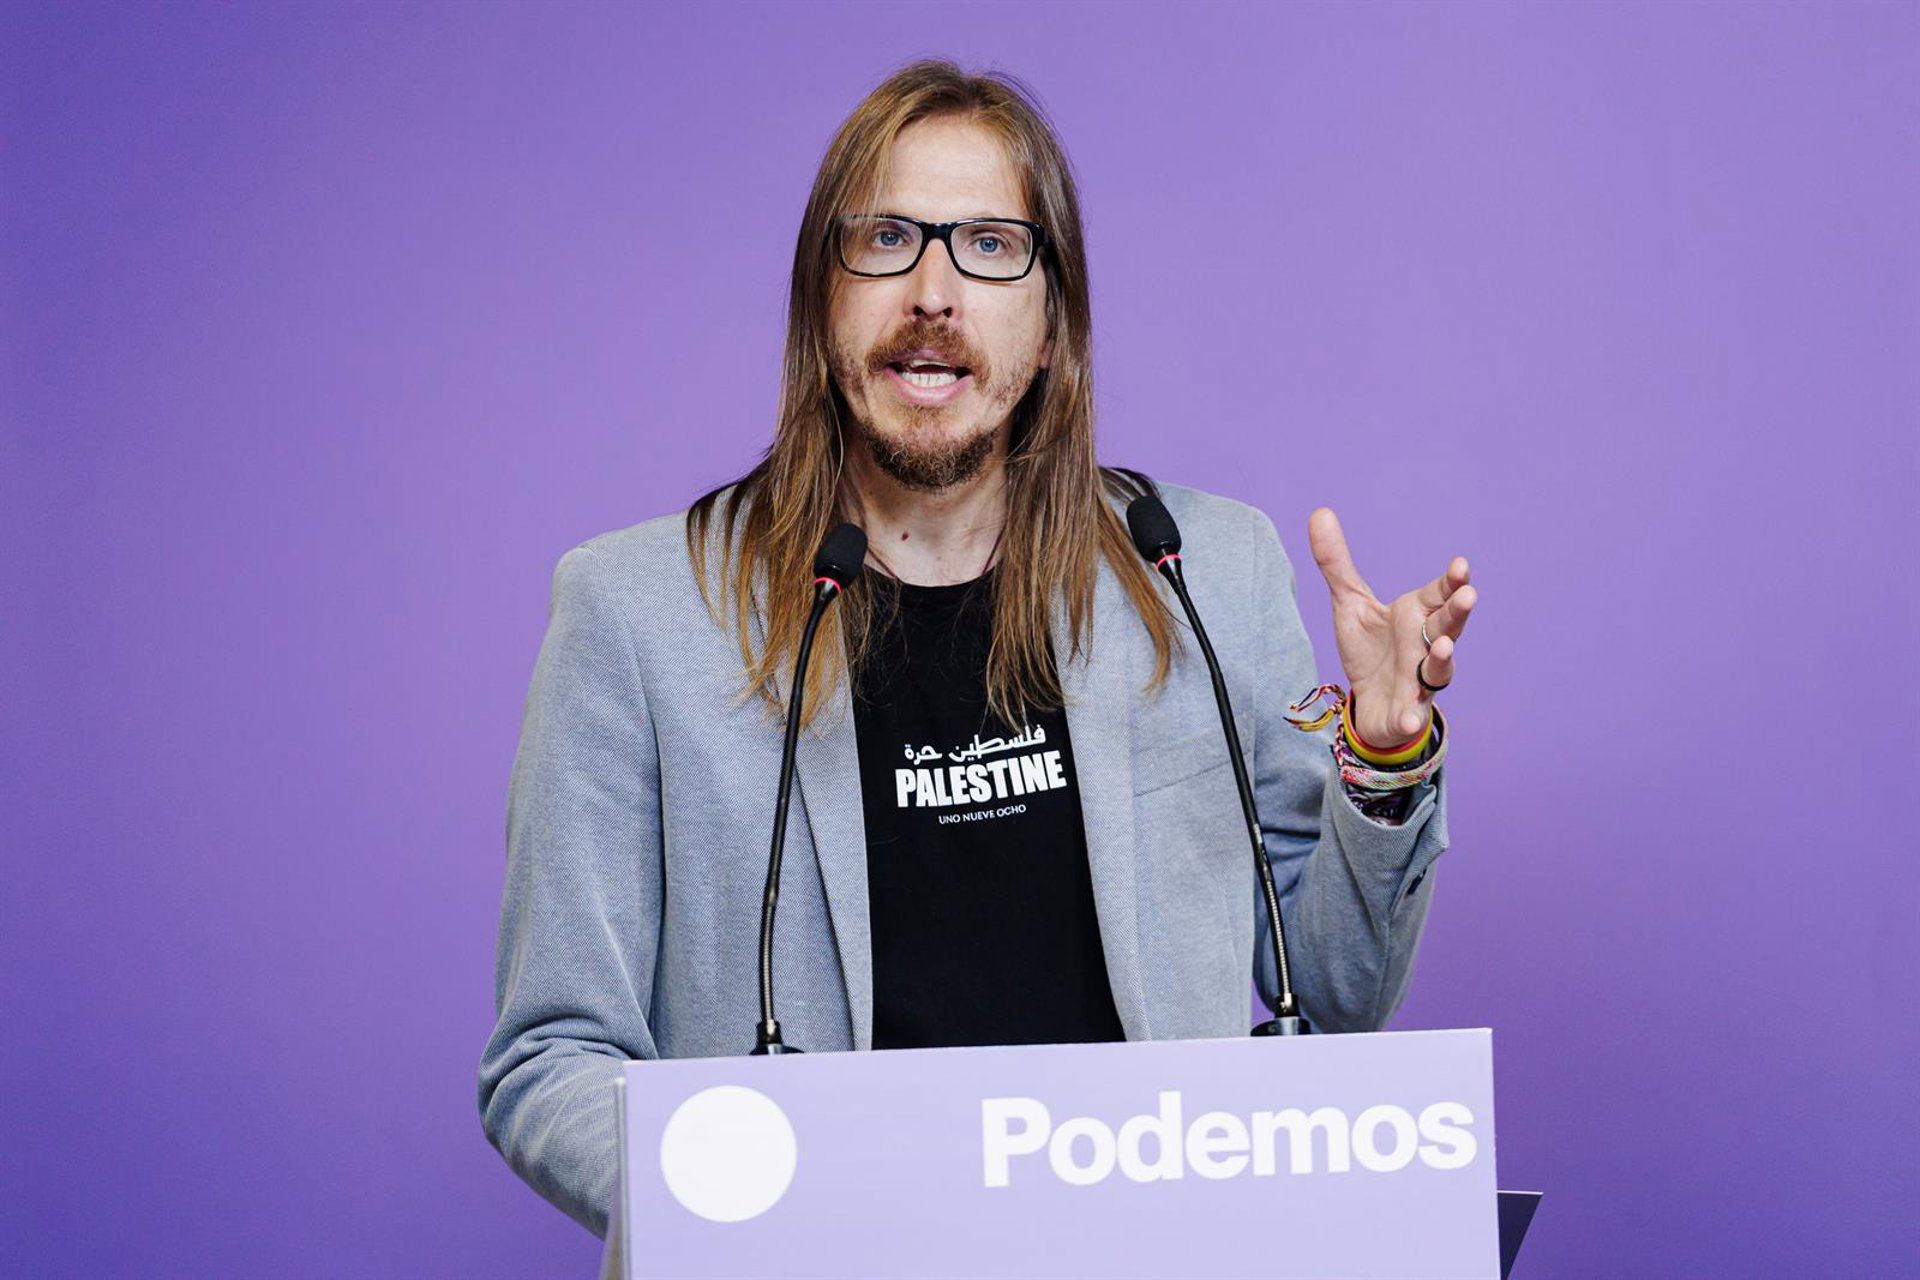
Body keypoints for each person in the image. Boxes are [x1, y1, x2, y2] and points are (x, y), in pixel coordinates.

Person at [479, 58, 1478, 1238]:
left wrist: (1383, 755)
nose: (934, 292)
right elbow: (550, 1055)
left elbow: (1337, 998)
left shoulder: (1205, 571)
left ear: (1053, 323)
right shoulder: (635, 615)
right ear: (822, 304)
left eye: (991, 245)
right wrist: (762, 1211)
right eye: (887, 237)